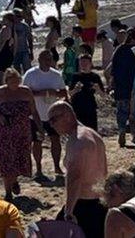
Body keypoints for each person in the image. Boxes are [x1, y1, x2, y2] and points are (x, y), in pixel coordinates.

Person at [48, 102, 107, 238]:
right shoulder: (92, 134)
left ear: (67, 116)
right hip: (100, 202)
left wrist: (69, 211)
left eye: (53, 120)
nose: (51, 125)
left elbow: (75, 178)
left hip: (83, 205)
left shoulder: (78, 142)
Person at [0, 68, 39, 200]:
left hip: (22, 131)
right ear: (7, 81)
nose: (15, 84)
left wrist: (40, 127)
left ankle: (14, 180)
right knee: (6, 159)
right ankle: (8, 192)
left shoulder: (25, 92)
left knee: (19, 155)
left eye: (17, 81)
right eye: (12, 82)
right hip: (5, 131)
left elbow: (34, 111)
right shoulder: (0, 92)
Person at [22, 50, 66, 179]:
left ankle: (57, 166)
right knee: (37, 142)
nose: (48, 62)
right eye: (45, 59)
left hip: (53, 114)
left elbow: (63, 93)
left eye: (50, 59)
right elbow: (25, 93)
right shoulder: (30, 74)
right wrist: (40, 93)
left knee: (55, 140)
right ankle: (39, 169)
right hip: (36, 115)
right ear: (39, 59)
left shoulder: (56, 75)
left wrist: (54, 93)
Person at [106, 29, 135, 147]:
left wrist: (111, 83)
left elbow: (112, 68)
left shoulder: (119, 50)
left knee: (122, 110)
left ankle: (122, 130)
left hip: (121, 85)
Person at [67, 49, 104, 131]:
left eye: (85, 62)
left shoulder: (95, 77)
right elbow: (70, 93)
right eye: (81, 62)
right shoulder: (75, 76)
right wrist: (76, 89)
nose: (83, 64)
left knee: (92, 131)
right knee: (77, 131)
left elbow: (103, 95)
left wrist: (97, 89)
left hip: (90, 107)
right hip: (77, 107)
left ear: (90, 63)